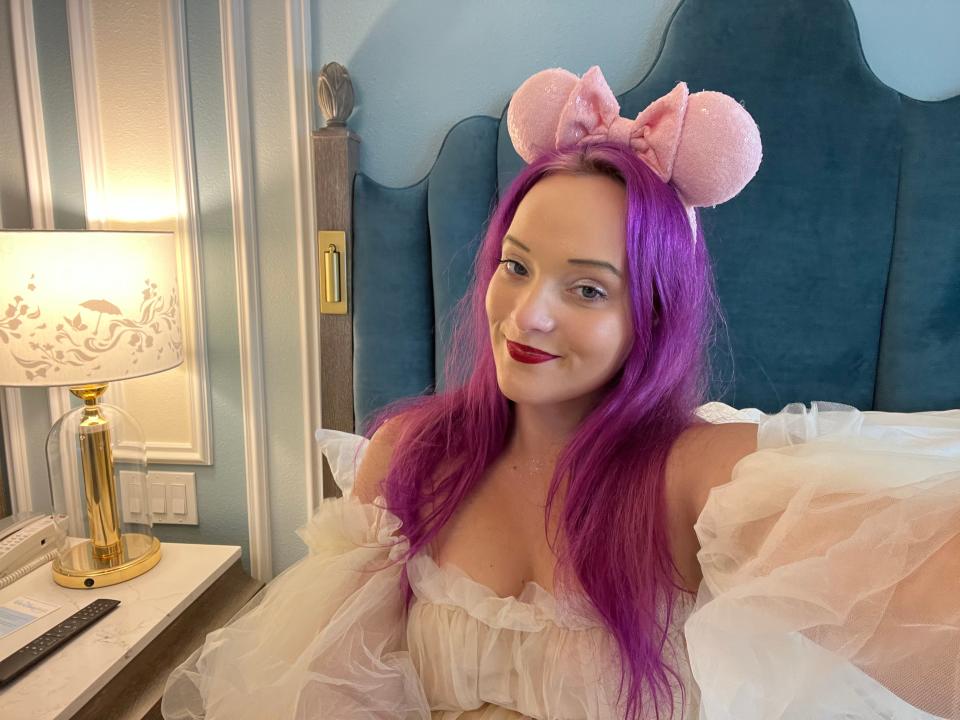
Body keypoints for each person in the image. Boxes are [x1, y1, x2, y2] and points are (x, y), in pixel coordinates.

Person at [162, 67, 960, 720]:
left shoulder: (701, 479)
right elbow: (328, 695)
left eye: (586, 290)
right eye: (515, 265)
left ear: (649, 315)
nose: (527, 313)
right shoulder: (412, 459)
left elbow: (925, 596)